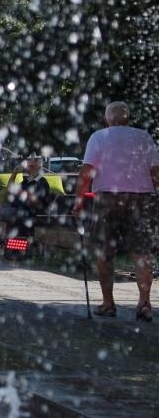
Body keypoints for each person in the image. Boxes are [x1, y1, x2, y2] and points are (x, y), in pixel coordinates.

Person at [77, 101, 159, 321]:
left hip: (107, 199)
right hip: (140, 200)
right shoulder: (144, 137)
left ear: (107, 119)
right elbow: (156, 171)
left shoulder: (99, 137)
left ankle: (108, 303)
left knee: (104, 252)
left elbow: (86, 171)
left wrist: (78, 199)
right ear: (128, 117)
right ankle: (144, 303)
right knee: (141, 253)